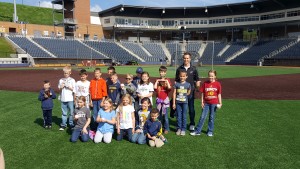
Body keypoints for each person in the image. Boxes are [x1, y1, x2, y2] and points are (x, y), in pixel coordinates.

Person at [190, 70, 222, 137]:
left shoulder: (218, 84)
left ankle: (210, 131)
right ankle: (198, 131)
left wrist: (220, 103)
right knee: (202, 117)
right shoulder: (205, 83)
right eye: (209, 76)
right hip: (206, 103)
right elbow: (203, 93)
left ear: (215, 76)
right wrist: (202, 102)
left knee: (211, 117)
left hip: (214, 103)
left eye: (212, 76)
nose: (211, 77)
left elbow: (219, 94)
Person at [175, 52, 201, 131]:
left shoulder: (194, 69)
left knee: (191, 109)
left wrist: (197, 87)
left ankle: (192, 123)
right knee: (180, 110)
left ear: (190, 59)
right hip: (181, 94)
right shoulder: (179, 69)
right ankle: (179, 125)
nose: (186, 59)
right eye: (185, 58)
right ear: (183, 59)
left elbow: (197, 80)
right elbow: (176, 81)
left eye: (187, 58)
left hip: (190, 93)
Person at [173, 70, 191, 136]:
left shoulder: (188, 84)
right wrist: (174, 103)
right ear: (179, 76)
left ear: (186, 77)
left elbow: (189, 91)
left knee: (184, 116)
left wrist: (186, 94)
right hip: (178, 103)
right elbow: (174, 93)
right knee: (178, 116)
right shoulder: (176, 84)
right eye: (181, 76)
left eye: (184, 76)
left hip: (185, 103)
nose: (182, 77)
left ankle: (183, 129)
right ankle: (179, 128)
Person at [154, 66, 171, 134]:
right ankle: (160, 127)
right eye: (161, 72)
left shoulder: (167, 80)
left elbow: (169, 88)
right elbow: (155, 88)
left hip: (165, 101)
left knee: (165, 116)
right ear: (159, 72)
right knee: (159, 116)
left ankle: (166, 128)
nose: (162, 73)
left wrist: (166, 81)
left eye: (163, 72)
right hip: (159, 100)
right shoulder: (157, 80)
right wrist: (157, 81)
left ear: (165, 73)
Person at [58, 66, 76, 131]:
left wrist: (68, 86)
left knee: (71, 113)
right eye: (64, 73)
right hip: (63, 99)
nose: (65, 74)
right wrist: (61, 86)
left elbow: (74, 89)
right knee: (64, 113)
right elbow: (59, 88)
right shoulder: (61, 80)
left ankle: (71, 124)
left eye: (67, 73)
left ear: (70, 73)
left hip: (70, 99)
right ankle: (63, 125)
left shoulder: (72, 80)